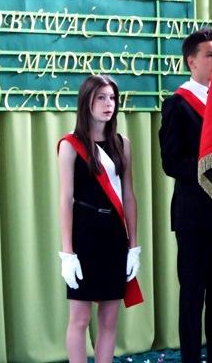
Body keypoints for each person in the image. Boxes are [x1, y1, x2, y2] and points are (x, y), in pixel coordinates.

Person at [57, 75, 142, 363]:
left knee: (109, 318)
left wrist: (133, 246)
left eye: (112, 98)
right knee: (80, 318)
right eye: (101, 98)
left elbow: (128, 195)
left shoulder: (122, 144)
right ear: (86, 102)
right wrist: (67, 253)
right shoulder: (70, 145)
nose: (109, 104)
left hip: (114, 234)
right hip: (84, 234)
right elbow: (65, 199)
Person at [159, 28, 212, 362]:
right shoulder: (177, 104)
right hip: (193, 215)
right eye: (210, 55)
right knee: (192, 296)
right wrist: (210, 166)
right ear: (192, 61)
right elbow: (171, 161)